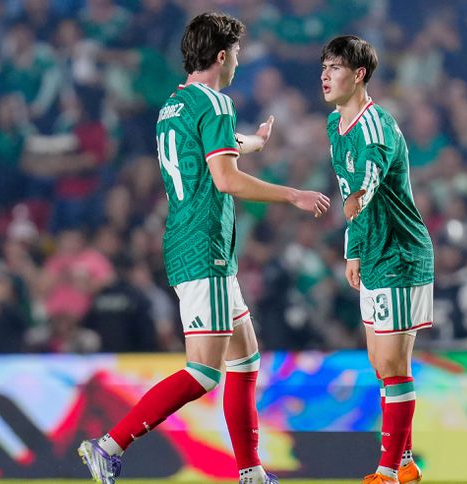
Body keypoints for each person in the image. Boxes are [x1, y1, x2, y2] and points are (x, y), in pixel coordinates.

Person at [77, 12, 330, 484]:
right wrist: (291, 194)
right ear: (221, 55)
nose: (238, 62)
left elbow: (220, 148)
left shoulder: (174, 105)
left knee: (246, 356)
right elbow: (225, 177)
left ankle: (251, 472)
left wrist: (256, 141)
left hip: (190, 241)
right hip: (204, 246)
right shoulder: (217, 102)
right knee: (204, 373)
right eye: (235, 53)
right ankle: (109, 445)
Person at [321, 35, 433, 484]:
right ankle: (405, 464)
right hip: (372, 250)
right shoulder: (335, 125)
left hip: (401, 253)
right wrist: (353, 248)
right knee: (378, 363)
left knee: (393, 365)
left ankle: (386, 470)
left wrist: (358, 205)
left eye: (335, 67)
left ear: (359, 74)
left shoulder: (376, 128)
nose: (326, 75)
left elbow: (365, 183)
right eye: (323, 67)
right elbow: (350, 189)